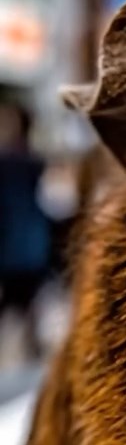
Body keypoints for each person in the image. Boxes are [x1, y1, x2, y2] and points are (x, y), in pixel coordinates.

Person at [0, 103, 51, 361]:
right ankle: (34, 351)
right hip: (34, 240)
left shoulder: (7, 161)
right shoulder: (36, 160)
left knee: (11, 301)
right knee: (28, 302)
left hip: (11, 244)